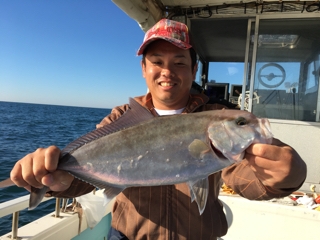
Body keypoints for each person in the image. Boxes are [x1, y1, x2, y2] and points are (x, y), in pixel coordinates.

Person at [10, 19, 306, 240]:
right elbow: (86, 180)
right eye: (157, 62)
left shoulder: (214, 116)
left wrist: (285, 176)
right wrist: (55, 180)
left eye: (179, 62)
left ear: (193, 71)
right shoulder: (120, 118)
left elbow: (245, 177)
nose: (167, 72)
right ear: (143, 69)